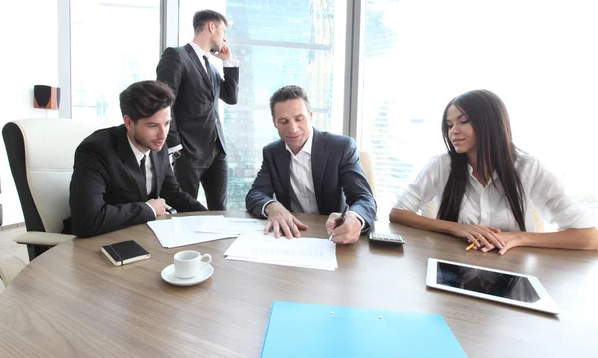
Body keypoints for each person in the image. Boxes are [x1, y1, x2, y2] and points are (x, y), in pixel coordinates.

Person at [390, 89, 598, 255]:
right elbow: (398, 213)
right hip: (453, 266)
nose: (453, 131)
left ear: (489, 123)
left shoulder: (529, 168)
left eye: (463, 121)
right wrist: (455, 228)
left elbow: (590, 237)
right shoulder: (442, 165)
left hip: (512, 272)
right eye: (449, 124)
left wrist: (518, 238)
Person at [69, 80, 207, 238]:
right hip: (102, 243)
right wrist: (148, 209)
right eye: (153, 126)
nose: (163, 134)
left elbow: (174, 195)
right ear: (129, 122)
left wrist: (213, 219)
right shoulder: (95, 151)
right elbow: (87, 221)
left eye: (167, 123)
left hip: (143, 237)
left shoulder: (158, 146)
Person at [245, 85, 377, 244]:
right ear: (274, 123)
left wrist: (355, 218)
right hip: (292, 237)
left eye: (299, 118)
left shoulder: (341, 147)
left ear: (311, 116)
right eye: (283, 121)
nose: (293, 128)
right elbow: (255, 194)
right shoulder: (272, 153)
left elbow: (364, 198)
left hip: (333, 235)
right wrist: (272, 206)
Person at [156, 9, 239, 210]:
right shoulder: (176, 56)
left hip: (217, 151)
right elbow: (164, 102)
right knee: (185, 211)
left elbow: (231, 97)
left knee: (220, 211)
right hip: (188, 151)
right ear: (212, 26)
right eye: (223, 30)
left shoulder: (210, 67)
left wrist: (228, 62)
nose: (225, 37)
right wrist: (176, 146)